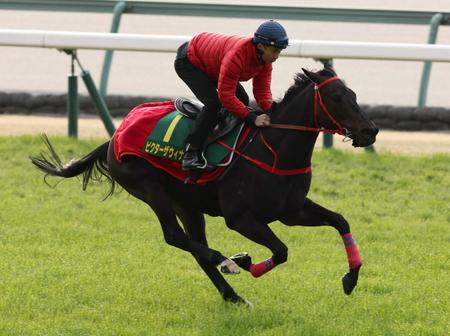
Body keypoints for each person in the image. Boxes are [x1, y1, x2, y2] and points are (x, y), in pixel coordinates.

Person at [174, 20, 289, 170]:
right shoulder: (237, 55)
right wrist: (252, 118)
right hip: (189, 61)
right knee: (213, 104)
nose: (277, 56)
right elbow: (226, 95)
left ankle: (219, 135)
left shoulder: (265, 61)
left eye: (279, 51)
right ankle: (191, 153)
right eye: (274, 51)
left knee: (242, 100)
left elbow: (262, 91)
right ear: (261, 46)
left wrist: (271, 111)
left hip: (212, 62)